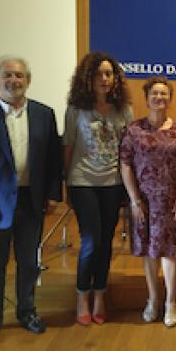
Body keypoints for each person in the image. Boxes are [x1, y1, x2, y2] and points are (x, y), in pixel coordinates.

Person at [0, 55, 62, 345]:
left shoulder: (45, 113)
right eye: (7, 75)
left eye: (19, 75)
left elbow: (54, 160)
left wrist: (54, 195)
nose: (13, 81)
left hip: (32, 201)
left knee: (29, 263)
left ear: (28, 80)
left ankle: (27, 312)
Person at [63, 52, 132, 326]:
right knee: (91, 240)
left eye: (108, 74)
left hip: (113, 184)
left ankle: (100, 293)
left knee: (105, 242)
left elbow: (128, 151)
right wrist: (65, 182)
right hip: (83, 182)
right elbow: (68, 146)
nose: (104, 79)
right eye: (98, 74)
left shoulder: (123, 109)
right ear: (87, 79)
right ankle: (82, 294)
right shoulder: (76, 108)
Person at [120, 77, 176, 327]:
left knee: (171, 251)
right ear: (147, 97)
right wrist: (134, 200)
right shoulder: (133, 129)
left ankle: (171, 302)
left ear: (169, 98)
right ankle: (153, 299)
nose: (159, 98)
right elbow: (125, 164)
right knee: (148, 251)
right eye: (154, 93)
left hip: (172, 201)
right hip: (144, 202)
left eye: (164, 94)